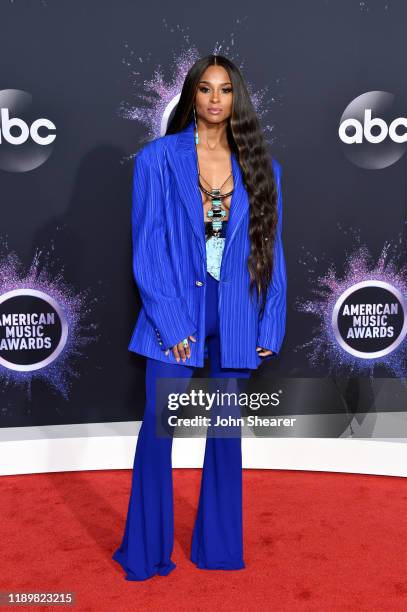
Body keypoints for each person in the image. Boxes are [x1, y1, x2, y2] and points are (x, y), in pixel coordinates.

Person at [112, 54, 287, 581]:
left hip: (235, 314)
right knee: (157, 436)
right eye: (206, 89)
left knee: (226, 437)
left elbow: (272, 251)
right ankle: (145, 553)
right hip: (177, 318)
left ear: (237, 98)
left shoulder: (262, 166)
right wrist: (170, 323)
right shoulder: (157, 159)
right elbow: (147, 251)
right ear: (192, 95)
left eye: (226, 89)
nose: (215, 99)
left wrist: (269, 322)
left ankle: (218, 550)